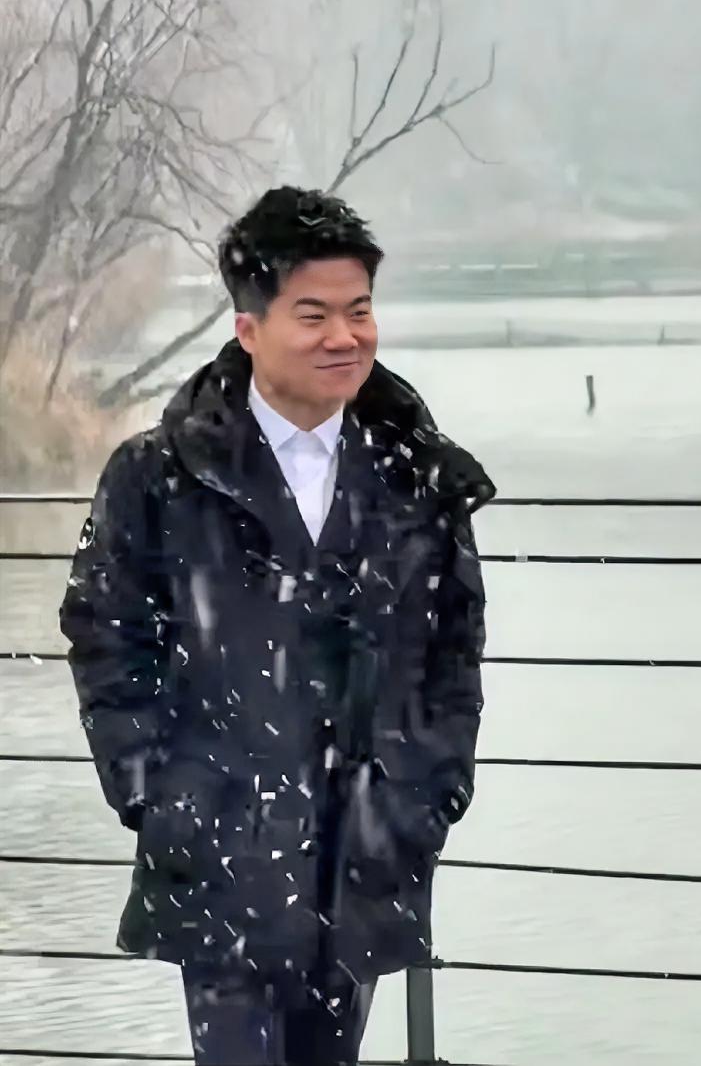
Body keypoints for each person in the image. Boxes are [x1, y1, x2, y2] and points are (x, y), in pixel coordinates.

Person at [60, 186, 495, 1066]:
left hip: (364, 854)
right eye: (314, 314)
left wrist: (424, 797)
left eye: (359, 311)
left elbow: (453, 650)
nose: (345, 336)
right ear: (249, 327)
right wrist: (160, 795)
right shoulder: (160, 475)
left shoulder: (415, 475)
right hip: (221, 855)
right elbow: (105, 632)